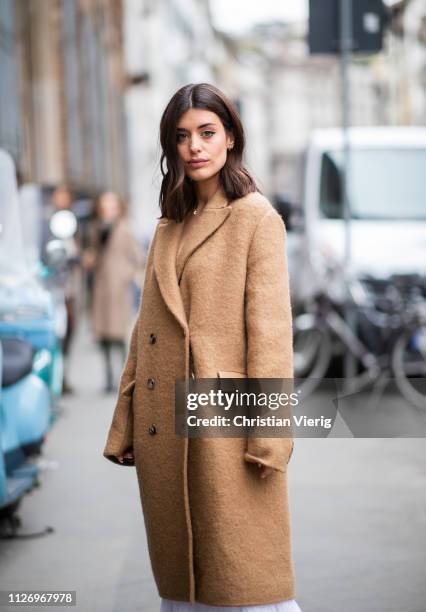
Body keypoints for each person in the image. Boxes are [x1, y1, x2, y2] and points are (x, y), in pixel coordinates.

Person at [103, 83, 301, 611]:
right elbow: (145, 332)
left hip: (226, 429)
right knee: (184, 588)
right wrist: (125, 422)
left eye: (207, 133)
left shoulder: (256, 218)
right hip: (165, 429)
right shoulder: (169, 224)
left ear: (230, 138)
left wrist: (270, 435)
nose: (195, 147)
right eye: (182, 136)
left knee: (249, 587)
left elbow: (271, 336)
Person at [83, 191, 144, 393]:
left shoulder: (124, 229)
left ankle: (123, 377)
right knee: (103, 335)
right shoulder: (96, 228)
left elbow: (138, 257)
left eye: (111, 204)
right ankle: (109, 377)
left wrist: (125, 274)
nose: (107, 208)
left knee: (118, 335)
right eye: (104, 204)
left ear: (117, 207)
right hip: (101, 287)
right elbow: (93, 253)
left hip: (118, 289)